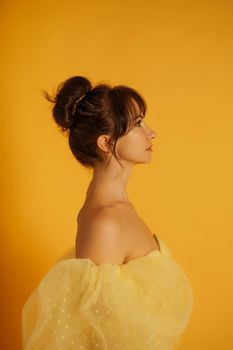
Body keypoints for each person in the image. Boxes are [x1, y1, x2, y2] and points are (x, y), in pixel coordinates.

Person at [21, 76, 194, 349]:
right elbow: (101, 336)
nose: (151, 132)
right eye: (137, 124)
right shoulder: (106, 221)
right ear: (106, 143)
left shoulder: (119, 208)